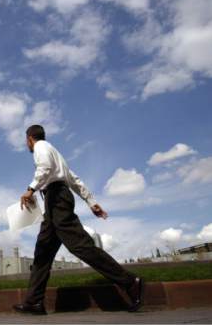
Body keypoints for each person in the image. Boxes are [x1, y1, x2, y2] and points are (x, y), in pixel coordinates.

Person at [12, 125, 144, 315]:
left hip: (57, 198)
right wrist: (91, 201)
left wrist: (30, 189)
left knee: (79, 245)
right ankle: (34, 302)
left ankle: (130, 282)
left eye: (27, 141)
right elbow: (74, 179)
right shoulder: (57, 155)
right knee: (42, 252)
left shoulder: (41, 147)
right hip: (54, 200)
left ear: (30, 138)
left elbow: (45, 168)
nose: (28, 144)